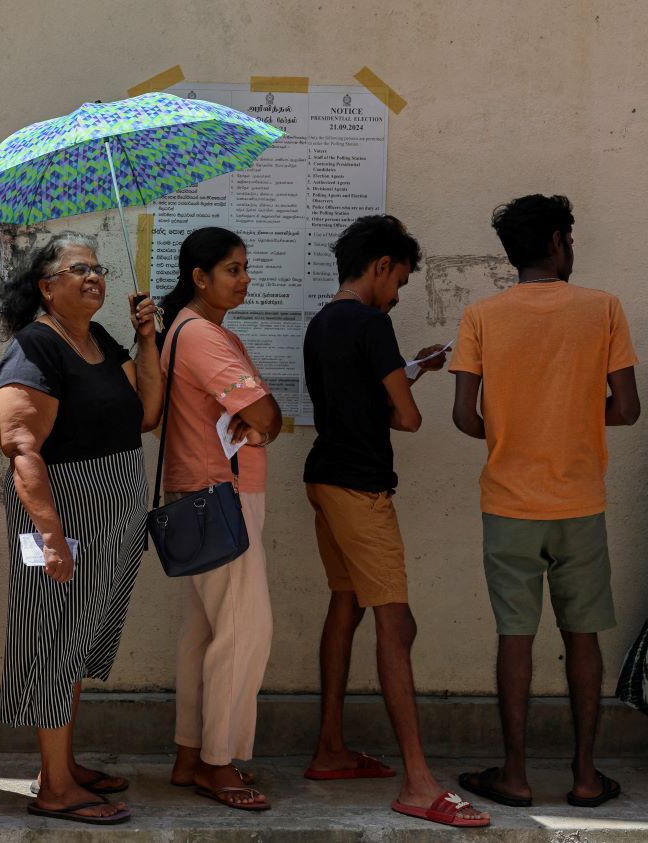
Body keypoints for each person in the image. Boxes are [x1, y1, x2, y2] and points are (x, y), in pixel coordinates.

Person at [302, 215, 489, 828]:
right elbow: (405, 420)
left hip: (324, 476)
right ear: (380, 265)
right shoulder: (373, 323)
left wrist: (410, 368)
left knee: (346, 603)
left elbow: (354, 400)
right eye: (400, 280)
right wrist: (405, 385)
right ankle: (418, 781)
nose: (399, 293)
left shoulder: (323, 322)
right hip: (361, 486)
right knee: (396, 622)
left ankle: (331, 748)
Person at [452, 195, 638, 810]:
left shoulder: (481, 316)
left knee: (515, 636)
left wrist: (514, 429)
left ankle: (515, 774)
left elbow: (464, 417)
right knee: (582, 636)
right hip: (580, 502)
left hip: (508, 505)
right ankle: (586, 776)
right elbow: (628, 408)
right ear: (559, 242)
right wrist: (574, 421)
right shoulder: (603, 309)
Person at [0, 232, 162, 826]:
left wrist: (147, 340)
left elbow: (146, 412)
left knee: (80, 639)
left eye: (98, 267)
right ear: (46, 286)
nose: (94, 277)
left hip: (112, 513)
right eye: (78, 268)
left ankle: (60, 764)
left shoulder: (99, 340)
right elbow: (21, 449)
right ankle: (56, 788)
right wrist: (49, 537)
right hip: (58, 519)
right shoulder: (34, 349)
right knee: (51, 641)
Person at [157, 227, 280, 812]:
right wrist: (265, 420)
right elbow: (264, 413)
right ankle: (218, 762)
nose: (245, 278)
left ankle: (190, 755)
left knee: (205, 634)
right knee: (243, 633)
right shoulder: (202, 335)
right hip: (220, 494)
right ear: (199, 276)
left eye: (245, 267)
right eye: (233, 268)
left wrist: (260, 419)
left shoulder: (188, 330)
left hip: (200, 495)